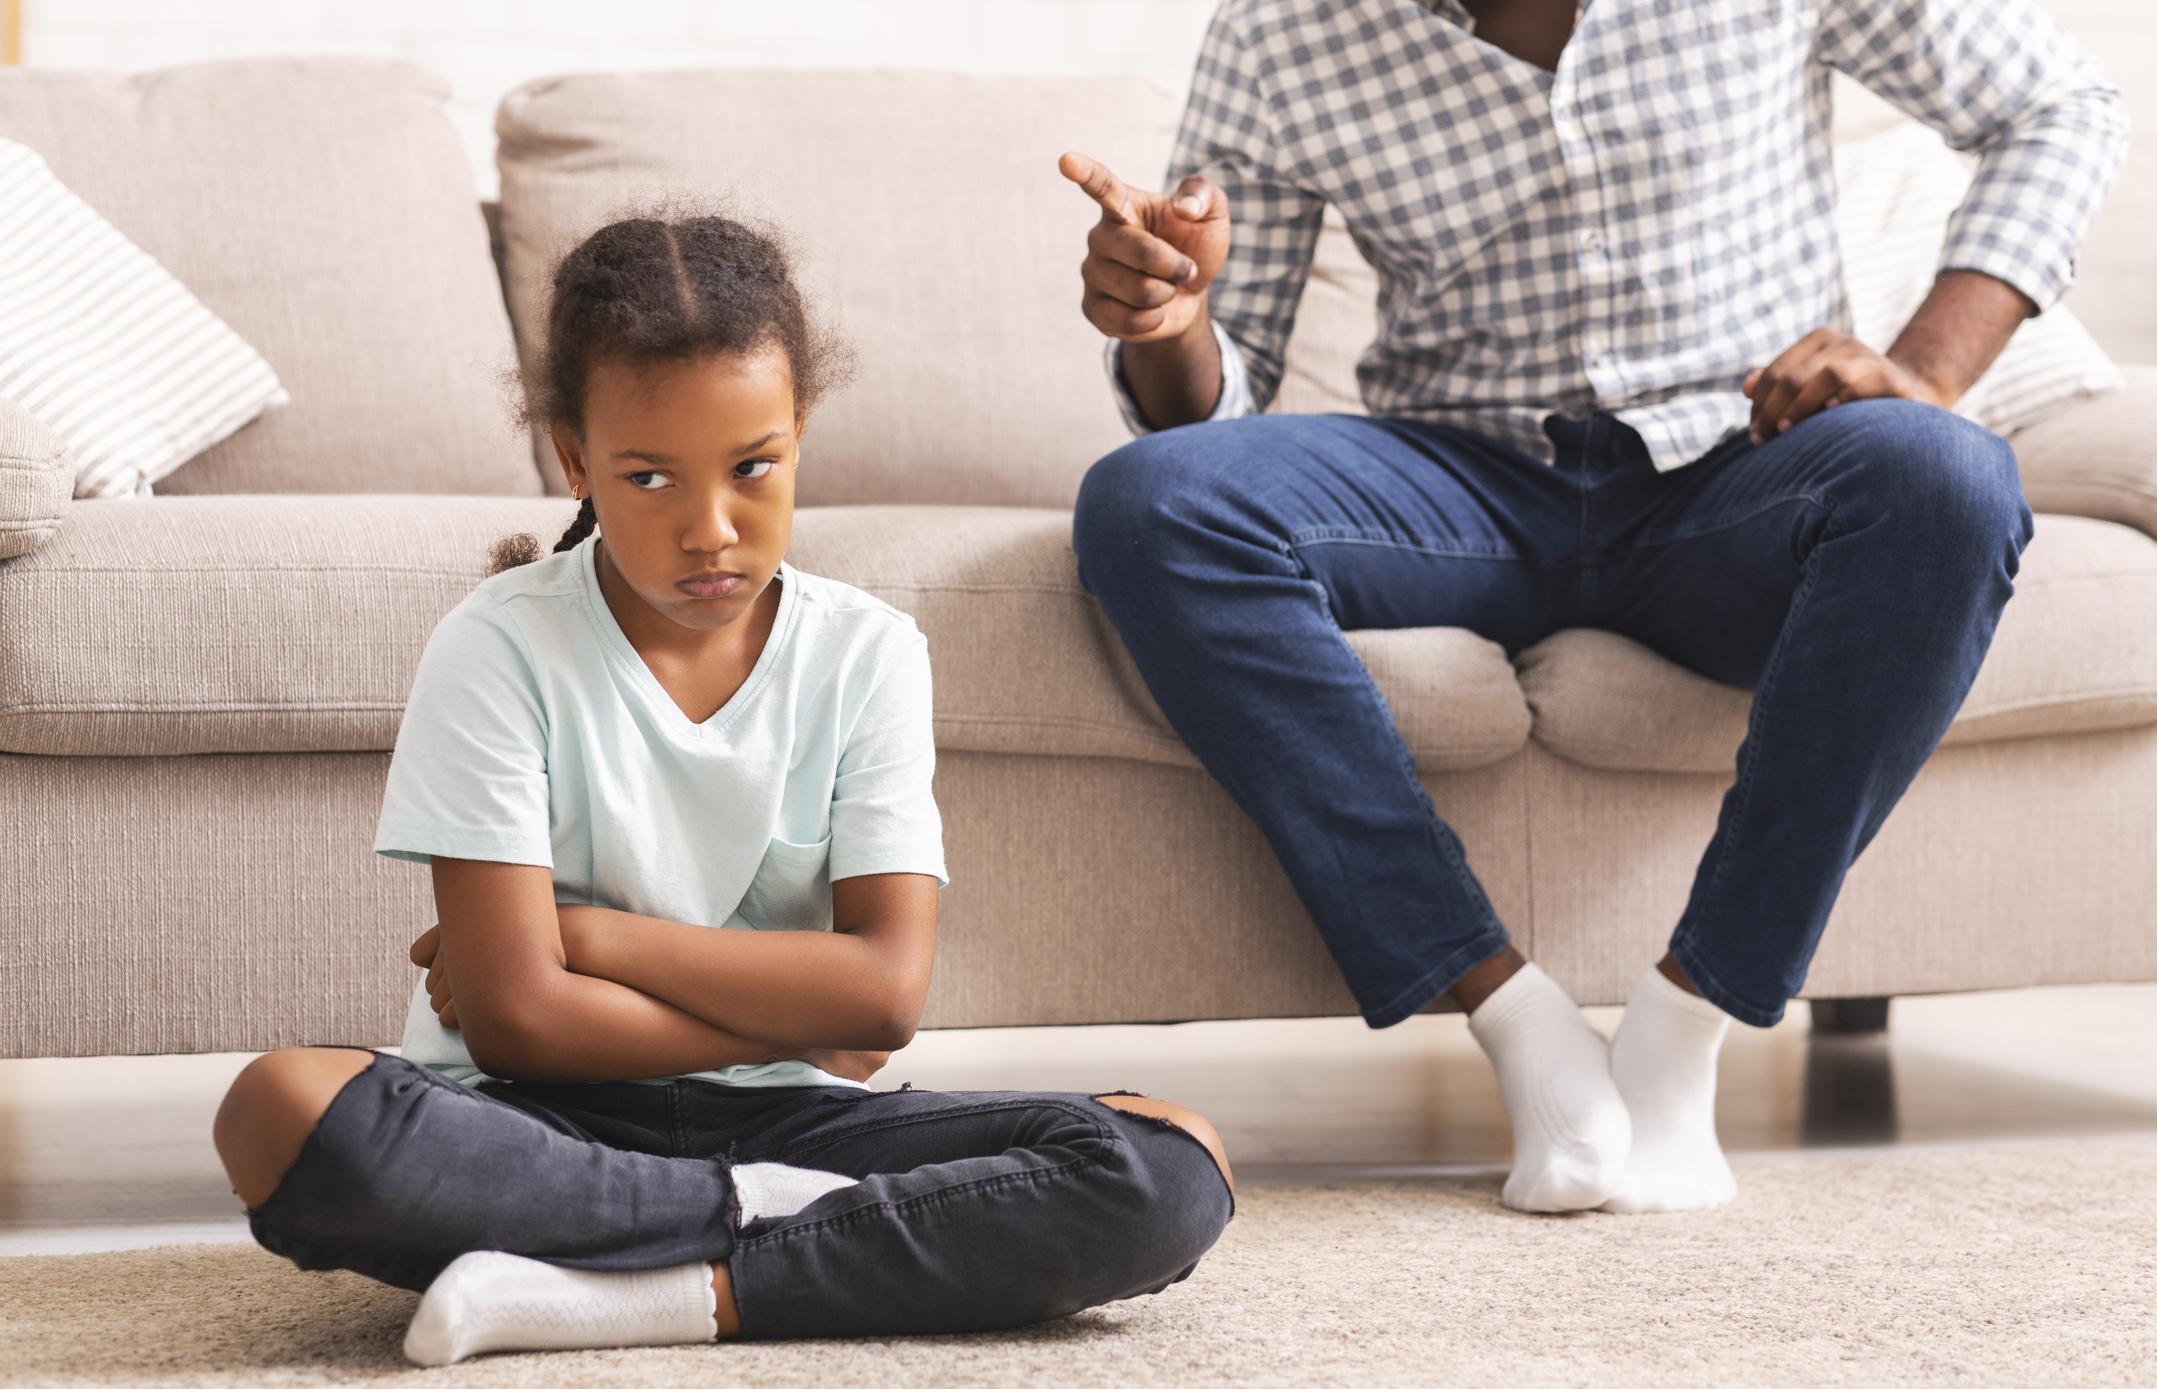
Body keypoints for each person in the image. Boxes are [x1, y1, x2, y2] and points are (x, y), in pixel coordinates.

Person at [1059, 0, 2125, 1215]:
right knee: (1151, 503)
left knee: (1947, 475)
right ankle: (1515, 1019)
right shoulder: (1283, 31)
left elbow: (2058, 103)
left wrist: (1926, 372)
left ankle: (1686, 1028)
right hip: (1459, 487)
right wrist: (1172, 318)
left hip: (1740, 478)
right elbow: (1212, 393)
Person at [211, 213, 1233, 1365]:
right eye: (648, 478)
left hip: (793, 1119)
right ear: (574, 457)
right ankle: (782, 1236)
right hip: (534, 1122)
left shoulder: (870, 652)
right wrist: (794, 1004)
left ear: (799, 432)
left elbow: (884, 1000)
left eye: (754, 468)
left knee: (1166, 1157)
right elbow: (517, 1021)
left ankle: (643, 1291)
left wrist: (583, 936)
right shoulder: (495, 646)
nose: (712, 532)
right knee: (283, 1106)